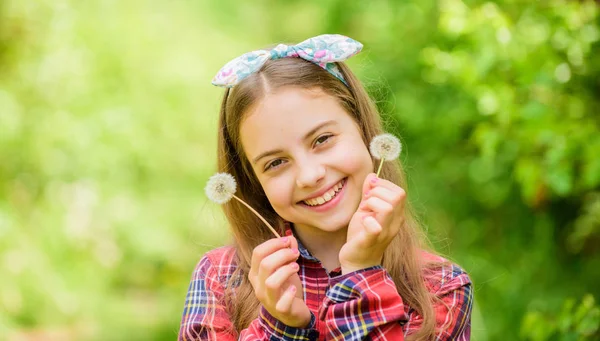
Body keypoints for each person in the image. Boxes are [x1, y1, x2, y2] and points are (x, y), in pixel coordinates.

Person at [178, 34, 473, 341]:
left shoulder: (441, 288)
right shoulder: (220, 279)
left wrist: (361, 273)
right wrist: (279, 327)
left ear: (362, 128)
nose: (309, 175)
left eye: (322, 140)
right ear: (254, 181)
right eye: (276, 163)